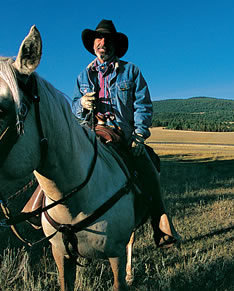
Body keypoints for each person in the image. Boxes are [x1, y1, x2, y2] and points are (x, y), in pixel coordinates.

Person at [71, 19, 181, 248]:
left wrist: (139, 136)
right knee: (62, 159)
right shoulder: (83, 76)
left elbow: (143, 105)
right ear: (93, 44)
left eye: (108, 40)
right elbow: (73, 106)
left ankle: (160, 226)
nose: (103, 43)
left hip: (122, 135)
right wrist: (81, 102)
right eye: (99, 39)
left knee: (149, 168)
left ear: (114, 45)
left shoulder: (131, 71)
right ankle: (40, 211)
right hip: (91, 133)